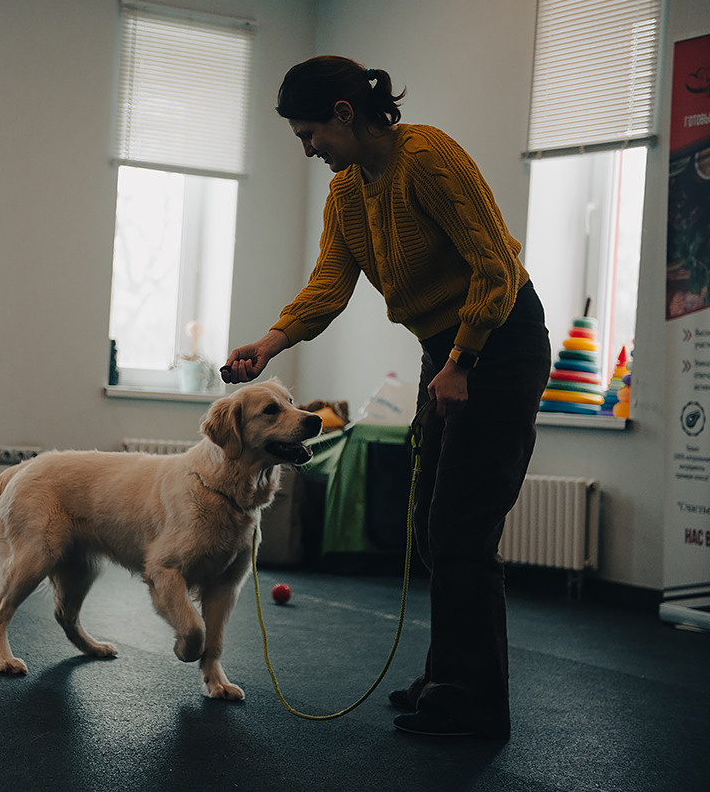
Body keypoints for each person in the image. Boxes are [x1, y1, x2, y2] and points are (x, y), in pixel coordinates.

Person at [223, 56, 551, 740]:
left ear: (346, 113)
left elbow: (495, 266)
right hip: (448, 353)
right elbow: (328, 287)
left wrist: (461, 359)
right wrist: (270, 343)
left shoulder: (428, 158)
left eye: (310, 134)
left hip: (500, 341)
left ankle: (475, 702)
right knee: (437, 529)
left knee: (462, 529)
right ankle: (446, 677)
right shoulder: (347, 194)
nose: (309, 149)